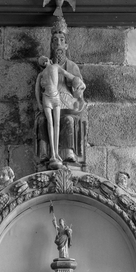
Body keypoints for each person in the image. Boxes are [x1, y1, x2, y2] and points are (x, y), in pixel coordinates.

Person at [36, 18, 86, 166]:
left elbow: (79, 87)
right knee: (42, 120)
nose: (58, 43)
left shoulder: (72, 66)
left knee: (68, 120)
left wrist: (77, 87)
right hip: (50, 100)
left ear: (66, 45)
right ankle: (45, 152)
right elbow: (40, 86)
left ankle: (67, 152)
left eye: (61, 40)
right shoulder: (46, 68)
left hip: (67, 103)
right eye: (55, 41)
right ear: (51, 45)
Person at [35, 56, 81, 167]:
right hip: (49, 97)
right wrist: (39, 103)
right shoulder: (45, 72)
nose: (46, 62)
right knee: (51, 123)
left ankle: (57, 154)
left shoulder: (54, 68)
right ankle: (52, 154)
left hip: (54, 98)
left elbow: (70, 76)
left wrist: (78, 82)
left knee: (56, 123)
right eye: (43, 61)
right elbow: (37, 90)